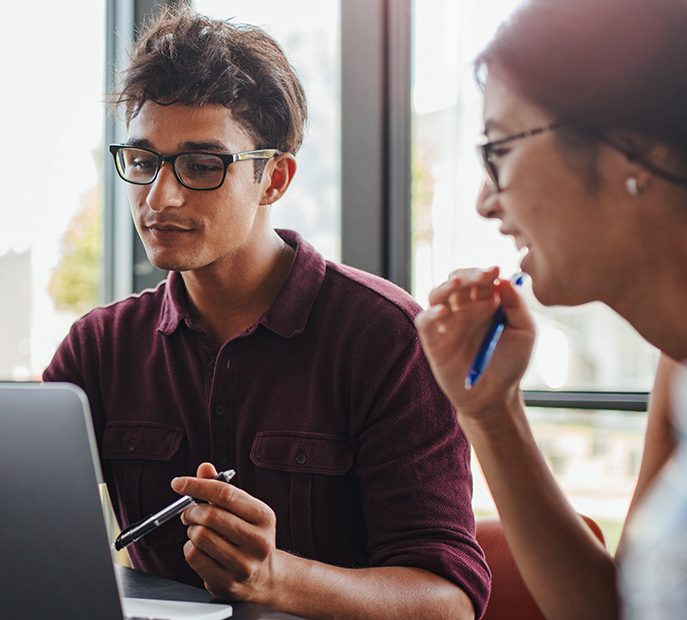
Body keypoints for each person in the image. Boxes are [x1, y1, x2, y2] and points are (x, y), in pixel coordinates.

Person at [42, 9, 489, 619]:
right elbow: (7, 516)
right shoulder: (101, 346)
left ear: (273, 178)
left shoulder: (386, 338)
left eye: (202, 165)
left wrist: (277, 578)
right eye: (144, 162)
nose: (159, 197)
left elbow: (449, 604)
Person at [412, 0, 687, 618]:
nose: (484, 201)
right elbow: (620, 609)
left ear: (633, 153)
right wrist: (490, 411)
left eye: (499, 149)